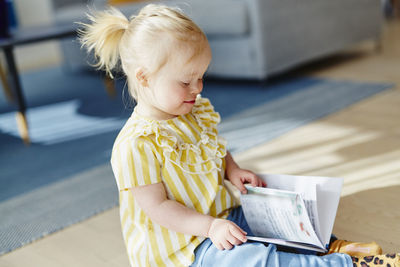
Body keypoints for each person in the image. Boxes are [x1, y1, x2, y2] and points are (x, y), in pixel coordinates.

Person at [78, 4, 400, 267]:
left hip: (224, 216)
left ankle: (330, 247)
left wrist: (232, 170)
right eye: (187, 81)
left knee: (281, 216)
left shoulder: (192, 110)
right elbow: (159, 209)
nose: (198, 88)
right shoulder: (135, 145)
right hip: (185, 249)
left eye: (201, 77)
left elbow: (213, 147)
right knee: (251, 261)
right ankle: (345, 265)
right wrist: (209, 227)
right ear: (144, 78)